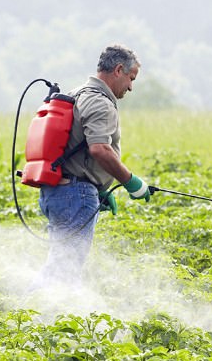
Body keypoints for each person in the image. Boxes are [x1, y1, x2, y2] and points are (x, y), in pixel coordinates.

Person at [37, 44, 153, 287]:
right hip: (74, 194)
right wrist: (131, 182)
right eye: (131, 79)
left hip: (59, 190)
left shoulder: (79, 92)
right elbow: (99, 149)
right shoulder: (100, 102)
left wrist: (99, 189)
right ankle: (32, 315)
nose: (131, 87)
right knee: (64, 270)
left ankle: (36, 315)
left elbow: (75, 148)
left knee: (60, 262)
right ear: (119, 70)